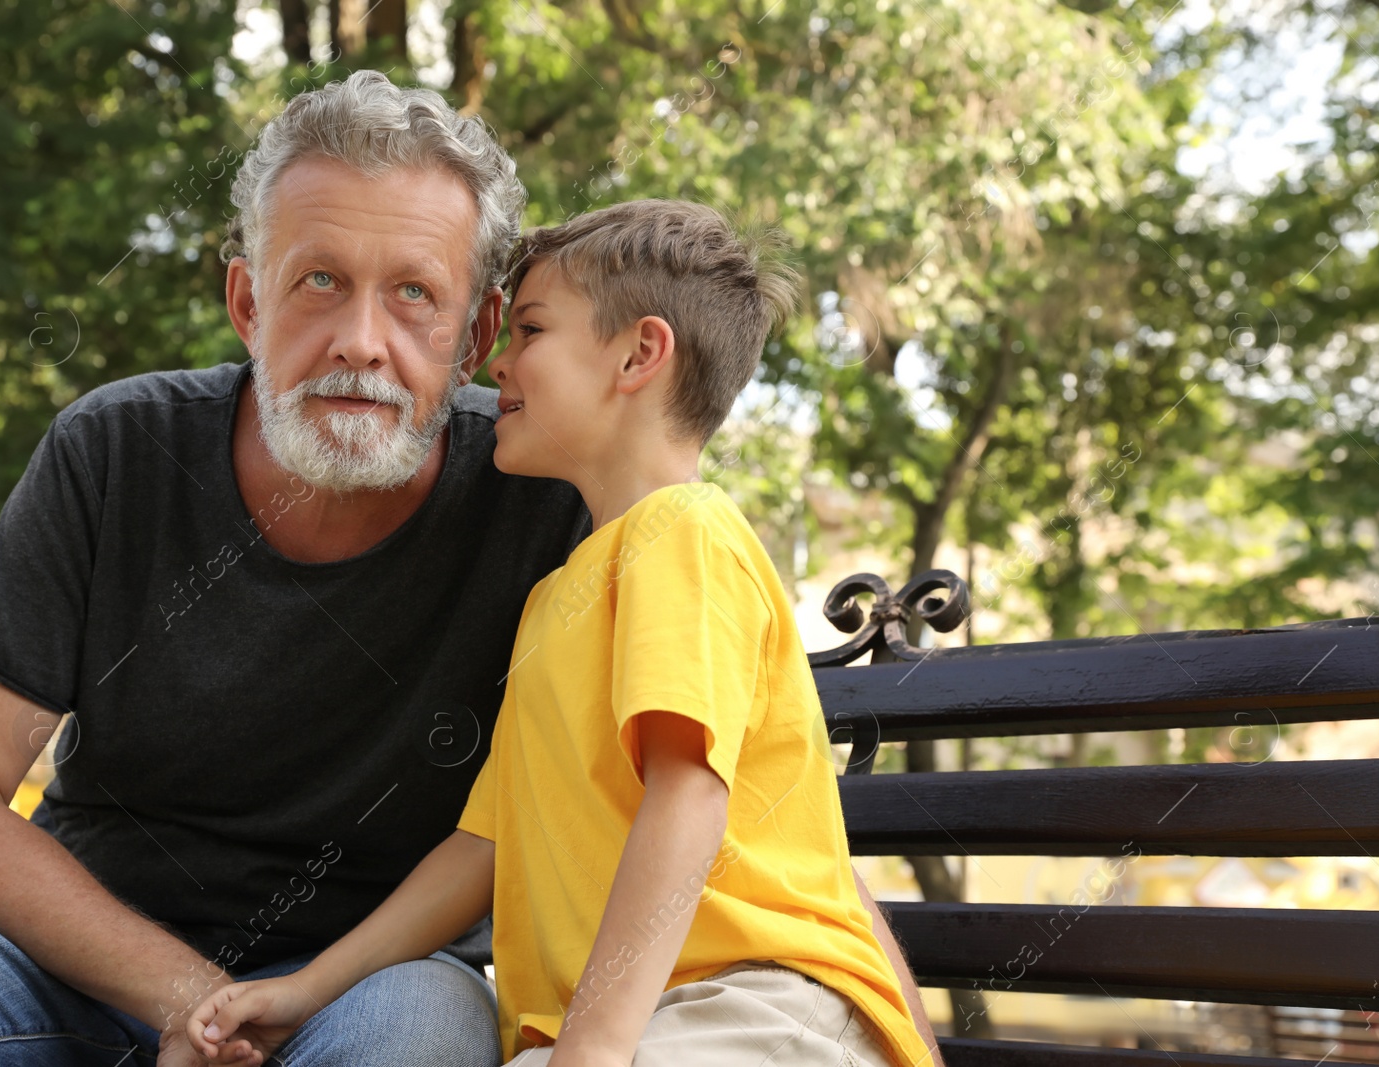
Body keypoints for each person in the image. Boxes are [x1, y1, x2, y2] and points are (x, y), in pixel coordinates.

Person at [0, 71, 590, 1066]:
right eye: (318, 280)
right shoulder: (114, 450)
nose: (362, 342)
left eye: (414, 292)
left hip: (365, 989)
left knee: (426, 1029)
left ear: (478, 334)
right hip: (79, 972)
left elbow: (715, 760)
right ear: (247, 299)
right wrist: (193, 1002)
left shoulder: (545, 500)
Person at [184, 200, 946, 1067]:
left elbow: (689, 797)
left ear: (638, 355)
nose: (497, 362)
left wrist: (591, 1049)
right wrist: (306, 990)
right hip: (634, 1025)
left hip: (756, 1003)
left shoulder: (684, 532)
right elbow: (480, 848)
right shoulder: (558, 597)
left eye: (532, 329)